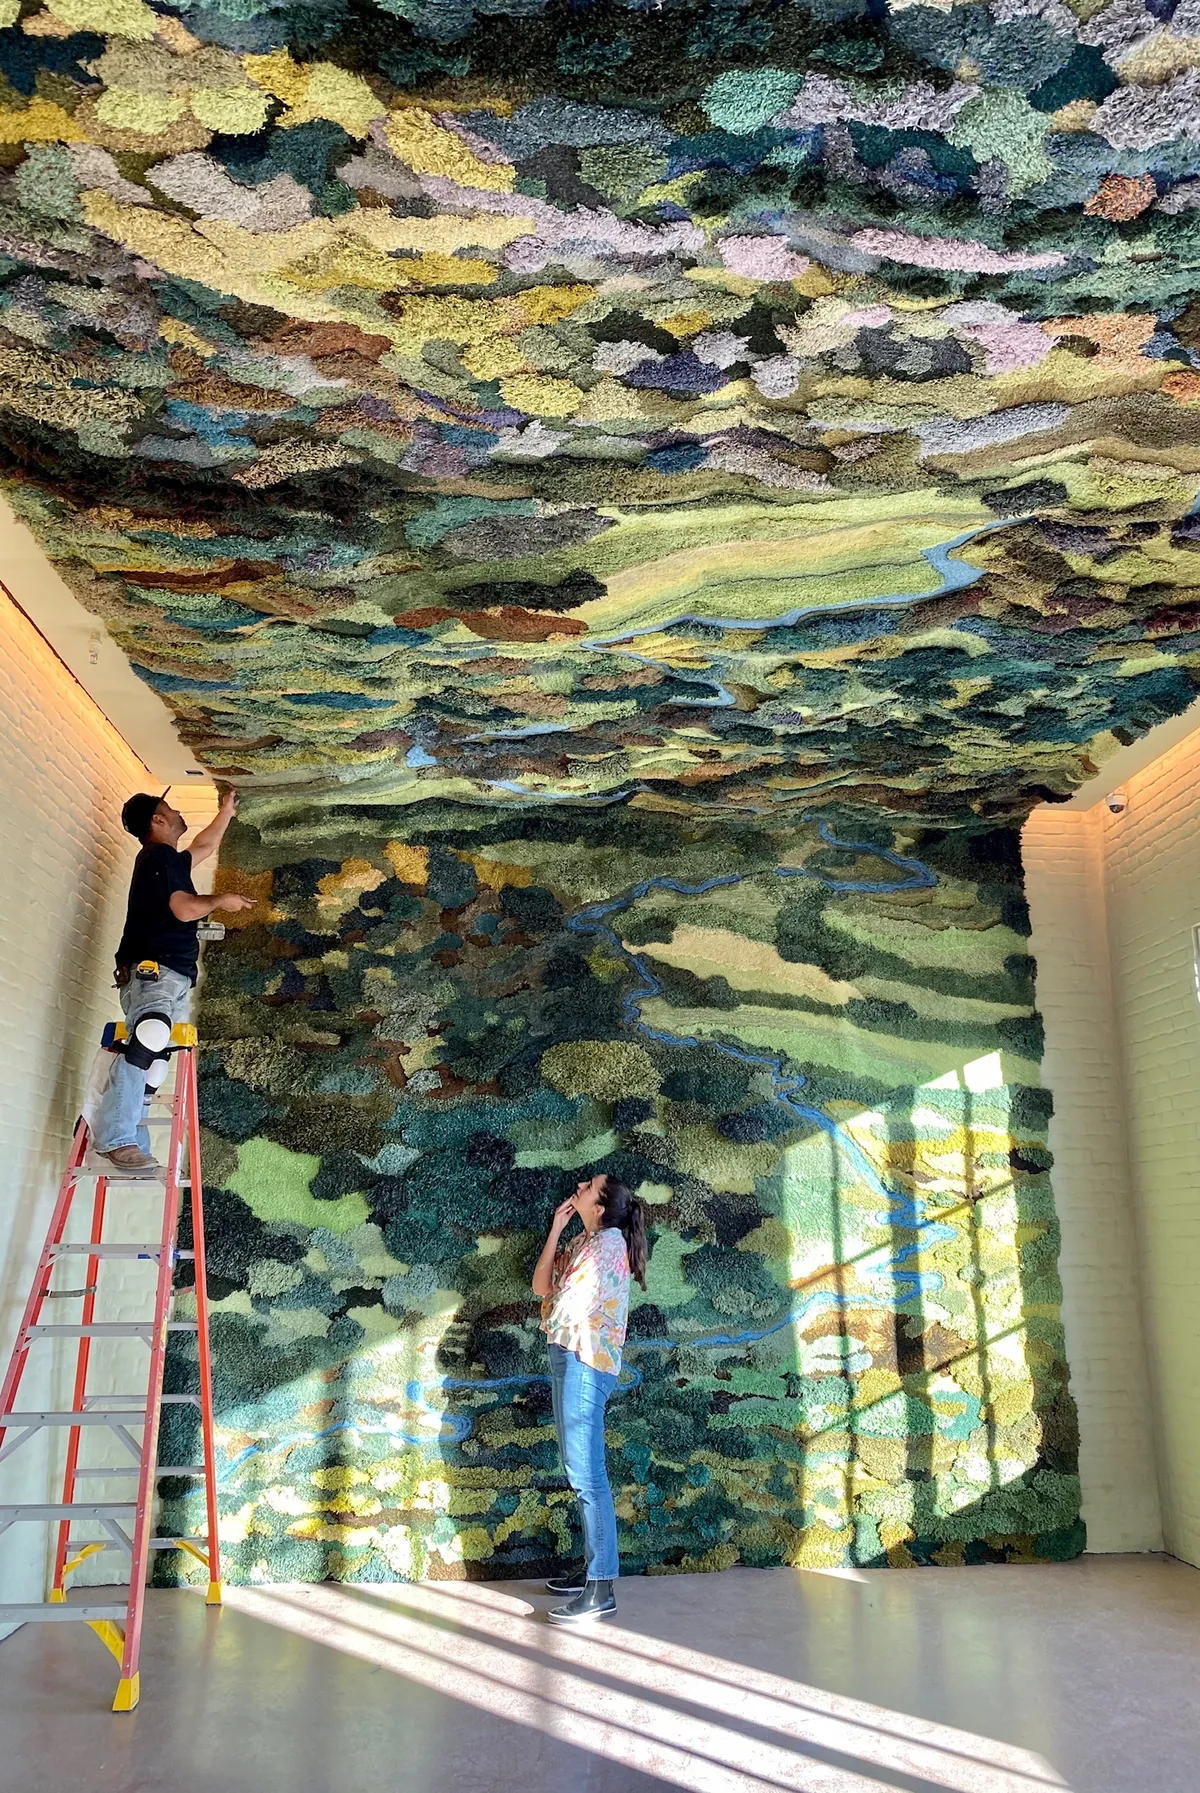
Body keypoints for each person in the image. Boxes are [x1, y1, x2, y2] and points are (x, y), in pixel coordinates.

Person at [91, 788, 253, 1176]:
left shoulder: (170, 861)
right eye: (169, 808)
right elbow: (183, 909)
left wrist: (226, 812)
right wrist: (220, 900)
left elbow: (204, 846)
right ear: (157, 820)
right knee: (150, 1036)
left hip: (172, 972)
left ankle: (132, 1137)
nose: (178, 811)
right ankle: (115, 1137)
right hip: (155, 968)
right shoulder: (158, 856)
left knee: (157, 1061)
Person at [532, 1173, 647, 1625]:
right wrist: (555, 1229)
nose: (579, 1184)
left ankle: (601, 1589)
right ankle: (592, 1572)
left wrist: (555, 1302)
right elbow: (543, 1289)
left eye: (589, 1185)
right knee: (579, 1469)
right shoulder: (587, 1241)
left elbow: (562, 1308)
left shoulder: (607, 1246)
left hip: (585, 1362)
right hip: (571, 1357)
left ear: (599, 1207)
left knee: (587, 1475)